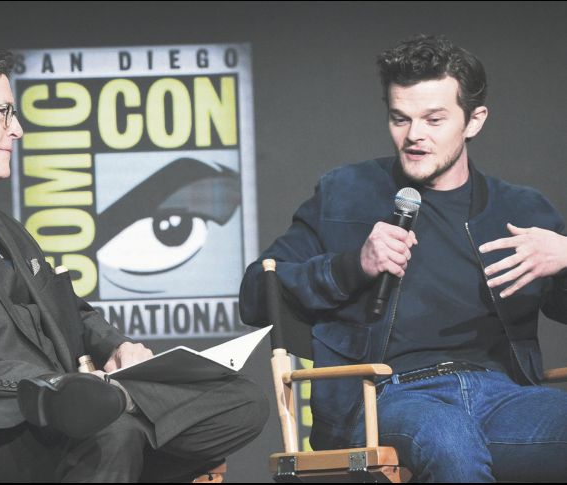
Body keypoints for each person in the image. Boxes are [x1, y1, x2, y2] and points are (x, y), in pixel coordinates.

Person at [0, 41, 268, 483]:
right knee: (113, 435)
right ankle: (110, 412)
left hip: (66, 423)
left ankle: (117, 404)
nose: (17, 129)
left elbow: (71, 313)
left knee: (240, 401)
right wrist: (44, 385)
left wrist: (115, 348)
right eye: (4, 112)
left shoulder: (5, 227)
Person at [239, 34, 567, 482]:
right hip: (386, 397)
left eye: (434, 119)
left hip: (502, 397)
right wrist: (354, 266)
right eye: (400, 119)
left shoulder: (523, 209)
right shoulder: (345, 193)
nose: (414, 135)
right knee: (448, 436)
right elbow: (257, 293)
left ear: (474, 121)